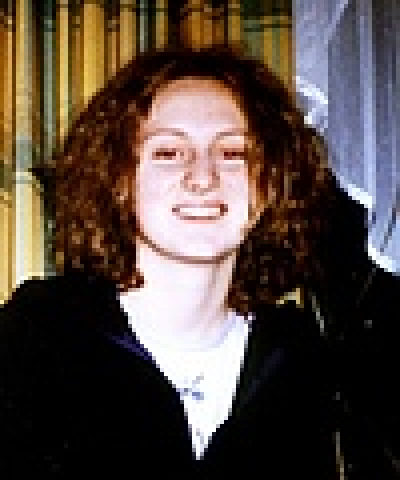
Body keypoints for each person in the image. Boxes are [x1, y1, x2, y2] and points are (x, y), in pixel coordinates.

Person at [0, 43, 399, 478]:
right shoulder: (33, 342)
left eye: (233, 153)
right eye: (169, 153)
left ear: (270, 186)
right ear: (119, 180)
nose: (203, 177)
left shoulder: (311, 369)